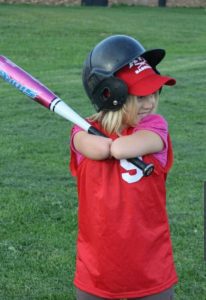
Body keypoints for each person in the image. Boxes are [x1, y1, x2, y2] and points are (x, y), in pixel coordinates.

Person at [69, 35, 178, 300]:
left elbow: (119, 148)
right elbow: (94, 147)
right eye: (140, 96)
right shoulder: (81, 132)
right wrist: (103, 140)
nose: (150, 102)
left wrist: (112, 144)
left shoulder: (155, 127)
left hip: (151, 271)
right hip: (97, 273)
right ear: (111, 95)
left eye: (154, 92)